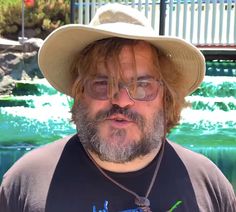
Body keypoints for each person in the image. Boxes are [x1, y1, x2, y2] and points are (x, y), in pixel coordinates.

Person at [0, 3, 235, 212]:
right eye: (102, 83)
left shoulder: (211, 187)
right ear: (79, 92)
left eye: (142, 85)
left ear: (166, 96)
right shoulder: (24, 185)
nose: (121, 100)